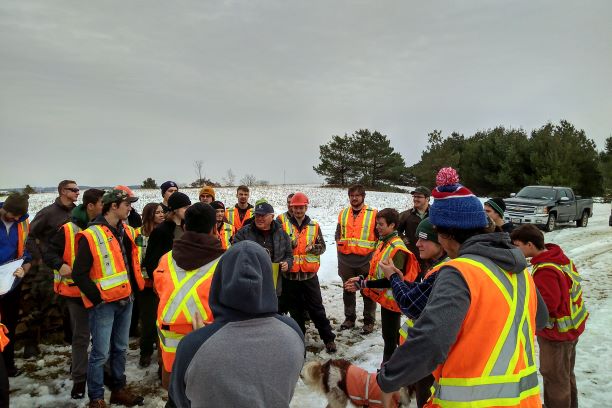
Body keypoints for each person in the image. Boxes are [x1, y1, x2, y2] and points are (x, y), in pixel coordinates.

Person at [377, 167, 547, 407]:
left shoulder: (459, 272)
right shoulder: (519, 269)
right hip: (524, 400)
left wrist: (387, 378)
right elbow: (539, 320)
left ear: (447, 234)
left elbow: (431, 341)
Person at [168, 241, 305, 408]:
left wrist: (202, 340)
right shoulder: (293, 331)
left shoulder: (193, 346)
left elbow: (178, 401)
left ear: (220, 279)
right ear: (268, 278)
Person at [71, 189, 145, 408]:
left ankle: (118, 390)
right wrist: (97, 298)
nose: (130, 207)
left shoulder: (128, 231)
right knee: (100, 354)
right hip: (104, 305)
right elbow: (79, 273)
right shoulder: (92, 234)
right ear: (114, 206)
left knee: (120, 349)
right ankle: (96, 398)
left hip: (126, 300)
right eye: (127, 204)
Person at [511, 224, 588, 408]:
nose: (515, 249)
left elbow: (547, 307)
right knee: (565, 375)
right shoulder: (558, 258)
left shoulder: (545, 270)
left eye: (517, 245)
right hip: (571, 331)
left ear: (530, 245)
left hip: (556, 335)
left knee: (555, 379)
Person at [154, 203, 224, 390]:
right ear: (214, 228)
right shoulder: (224, 262)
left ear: (184, 227)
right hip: (207, 338)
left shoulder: (166, 259)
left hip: (170, 343)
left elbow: (158, 289)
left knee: (174, 393)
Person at [43, 188, 105, 399]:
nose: (105, 207)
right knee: (80, 337)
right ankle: (79, 379)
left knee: (100, 337)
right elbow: (49, 252)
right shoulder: (68, 229)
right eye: (101, 203)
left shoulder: (103, 227)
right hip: (75, 293)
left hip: (99, 292)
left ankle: (99, 372)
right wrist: (59, 264)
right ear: (90, 206)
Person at [347, 208, 419, 363]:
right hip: (387, 300)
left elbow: (392, 279)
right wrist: (361, 277)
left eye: (381, 224)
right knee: (388, 336)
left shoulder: (397, 249)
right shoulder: (384, 243)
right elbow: (376, 271)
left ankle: (389, 369)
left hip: (394, 301)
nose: (377, 227)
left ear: (392, 225)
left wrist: (364, 284)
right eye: (376, 224)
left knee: (390, 337)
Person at [22, 179, 79, 357]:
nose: (78, 192)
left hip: (70, 265)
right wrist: (39, 258)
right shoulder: (48, 213)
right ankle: (30, 344)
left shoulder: (78, 213)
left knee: (70, 304)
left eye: (78, 189)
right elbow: (30, 238)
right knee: (42, 305)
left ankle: (71, 340)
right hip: (49, 266)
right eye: (73, 189)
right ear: (63, 191)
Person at [279, 192, 336, 353]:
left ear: (306, 207)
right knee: (295, 311)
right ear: (291, 207)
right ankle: (299, 341)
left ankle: (328, 339)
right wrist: (288, 244)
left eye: (301, 207)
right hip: (289, 276)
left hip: (309, 276)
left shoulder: (314, 225)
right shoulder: (281, 222)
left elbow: (323, 247)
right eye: (295, 207)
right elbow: (276, 244)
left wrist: (314, 248)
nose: (298, 210)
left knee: (317, 308)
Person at [335, 184, 378, 334]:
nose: (354, 198)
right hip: (346, 260)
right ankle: (349, 319)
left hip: (366, 260)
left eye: (357, 195)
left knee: (367, 290)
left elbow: (379, 236)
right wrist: (340, 252)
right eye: (352, 195)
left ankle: (368, 321)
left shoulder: (373, 214)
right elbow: (338, 233)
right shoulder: (343, 213)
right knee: (348, 289)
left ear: (363, 197)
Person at [0, 193, 32, 378]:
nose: (15, 219)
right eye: (13, 215)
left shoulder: (23, 222)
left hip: (11, 282)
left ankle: (8, 365)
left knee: (9, 325)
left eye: (19, 216)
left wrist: (24, 268)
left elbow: (27, 251)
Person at [234, 201, 293, 294]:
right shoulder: (244, 232)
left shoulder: (282, 234)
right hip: (249, 282)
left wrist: (287, 264)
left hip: (273, 284)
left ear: (272, 217)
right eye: (257, 215)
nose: (259, 218)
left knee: (271, 307)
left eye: (263, 215)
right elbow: (234, 252)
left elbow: (289, 255)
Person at [132, 202, 165, 368]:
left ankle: (161, 352)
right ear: (149, 214)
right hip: (145, 284)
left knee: (162, 319)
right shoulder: (138, 233)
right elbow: (137, 259)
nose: (161, 215)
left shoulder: (165, 232)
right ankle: (145, 352)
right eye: (157, 212)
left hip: (163, 283)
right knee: (148, 320)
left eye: (162, 212)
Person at [142, 192, 192, 278]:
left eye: (189, 207)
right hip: (168, 279)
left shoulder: (188, 227)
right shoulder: (161, 230)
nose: (188, 210)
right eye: (185, 207)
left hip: (185, 277)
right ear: (175, 209)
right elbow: (152, 261)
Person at [397, 186, 431, 273]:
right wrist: (403, 238)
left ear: (427, 198)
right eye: (414, 197)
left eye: (419, 197)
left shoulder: (436, 215)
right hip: (412, 258)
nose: (415, 199)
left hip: (431, 259)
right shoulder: (406, 215)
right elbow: (394, 229)